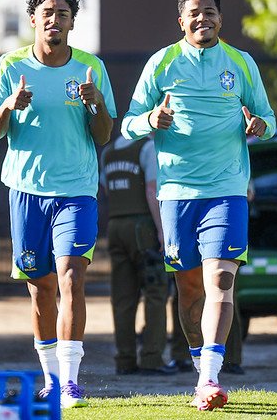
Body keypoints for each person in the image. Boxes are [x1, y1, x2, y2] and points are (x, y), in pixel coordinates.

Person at [121, 0, 275, 411]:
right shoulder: (162, 62)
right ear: (181, 20)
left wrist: (260, 126)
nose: (202, 18)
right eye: (194, 12)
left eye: (209, 11)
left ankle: (209, 378)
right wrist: (152, 118)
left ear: (220, 19)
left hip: (227, 190)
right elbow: (128, 125)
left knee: (221, 280)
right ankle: (200, 368)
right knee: (188, 289)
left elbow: (269, 117)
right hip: (177, 194)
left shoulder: (241, 64)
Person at [0, 0, 116, 409]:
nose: (54, 19)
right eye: (47, 13)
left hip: (76, 190)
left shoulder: (91, 68)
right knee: (40, 288)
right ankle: (51, 380)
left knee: (72, 276)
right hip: (26, 191)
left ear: (73, 22)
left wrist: (95, 105)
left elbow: (104, 136)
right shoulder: (10, 65)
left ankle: (72, 383)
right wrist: (9, 105)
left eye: (63, 13)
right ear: (34, 20)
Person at [100, 135, 177, 376]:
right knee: (156, 292)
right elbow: (152, 189)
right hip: (142, 226)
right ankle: (152, 358)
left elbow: (104, 186)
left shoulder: (109, 151)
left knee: (122, 298)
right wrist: (163, 231)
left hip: (115, 225)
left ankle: (125, 360)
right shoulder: (147, 147)